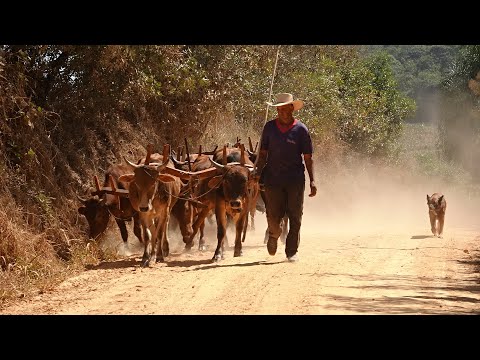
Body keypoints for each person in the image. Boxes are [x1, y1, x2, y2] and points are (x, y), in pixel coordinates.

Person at [253, 93, 317, 262]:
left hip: (295, 179)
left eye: (285, 108)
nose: (282, 112)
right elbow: (263, 154)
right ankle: (274, 234)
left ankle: (291, 251)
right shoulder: (269, 128)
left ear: (292, 108)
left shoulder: (301, 130)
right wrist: (257, 172)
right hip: (273, 179)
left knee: (295, 215)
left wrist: (312, 180)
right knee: (274, 214)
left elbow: (308, 158)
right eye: (279, 109)